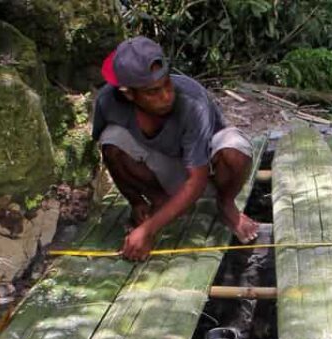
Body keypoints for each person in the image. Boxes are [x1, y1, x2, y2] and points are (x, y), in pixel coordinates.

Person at [92, 37, 259, 261]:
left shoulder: (192, 99)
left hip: (207, 173)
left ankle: (226, 204)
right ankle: (153, 202)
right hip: (164, 174)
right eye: (152, 92)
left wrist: (148, 230)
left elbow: (196, 180)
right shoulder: (107, 102)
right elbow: (107, 154)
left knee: (235, 147)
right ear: (129, 94)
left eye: (167, 84)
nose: (166, 96)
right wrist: (135, 201)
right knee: (110, 139)